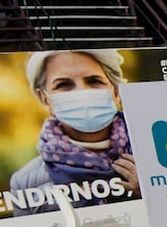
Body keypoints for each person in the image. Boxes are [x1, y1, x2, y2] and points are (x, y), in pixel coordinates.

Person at [10, 49, 140, 215]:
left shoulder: (154, 154)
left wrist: (152, 193)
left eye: (94, 80)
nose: (81, 92)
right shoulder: (25, 181)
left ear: (116, 91)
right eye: (63, 84)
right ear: (45, 99)